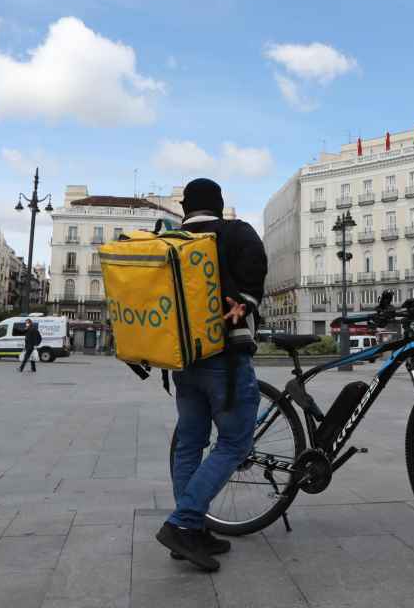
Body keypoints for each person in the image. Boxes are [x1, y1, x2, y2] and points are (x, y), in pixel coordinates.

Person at [156, 178, 267, 572]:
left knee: (189, 443)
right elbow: (255, 271)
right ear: (219, 204)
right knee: (235, 444)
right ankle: (183, 524)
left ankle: (194, 529)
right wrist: (245, 301)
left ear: (186, 206)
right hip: (226, 355)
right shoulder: (234, 232)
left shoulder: (170, 240)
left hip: (183, 358)